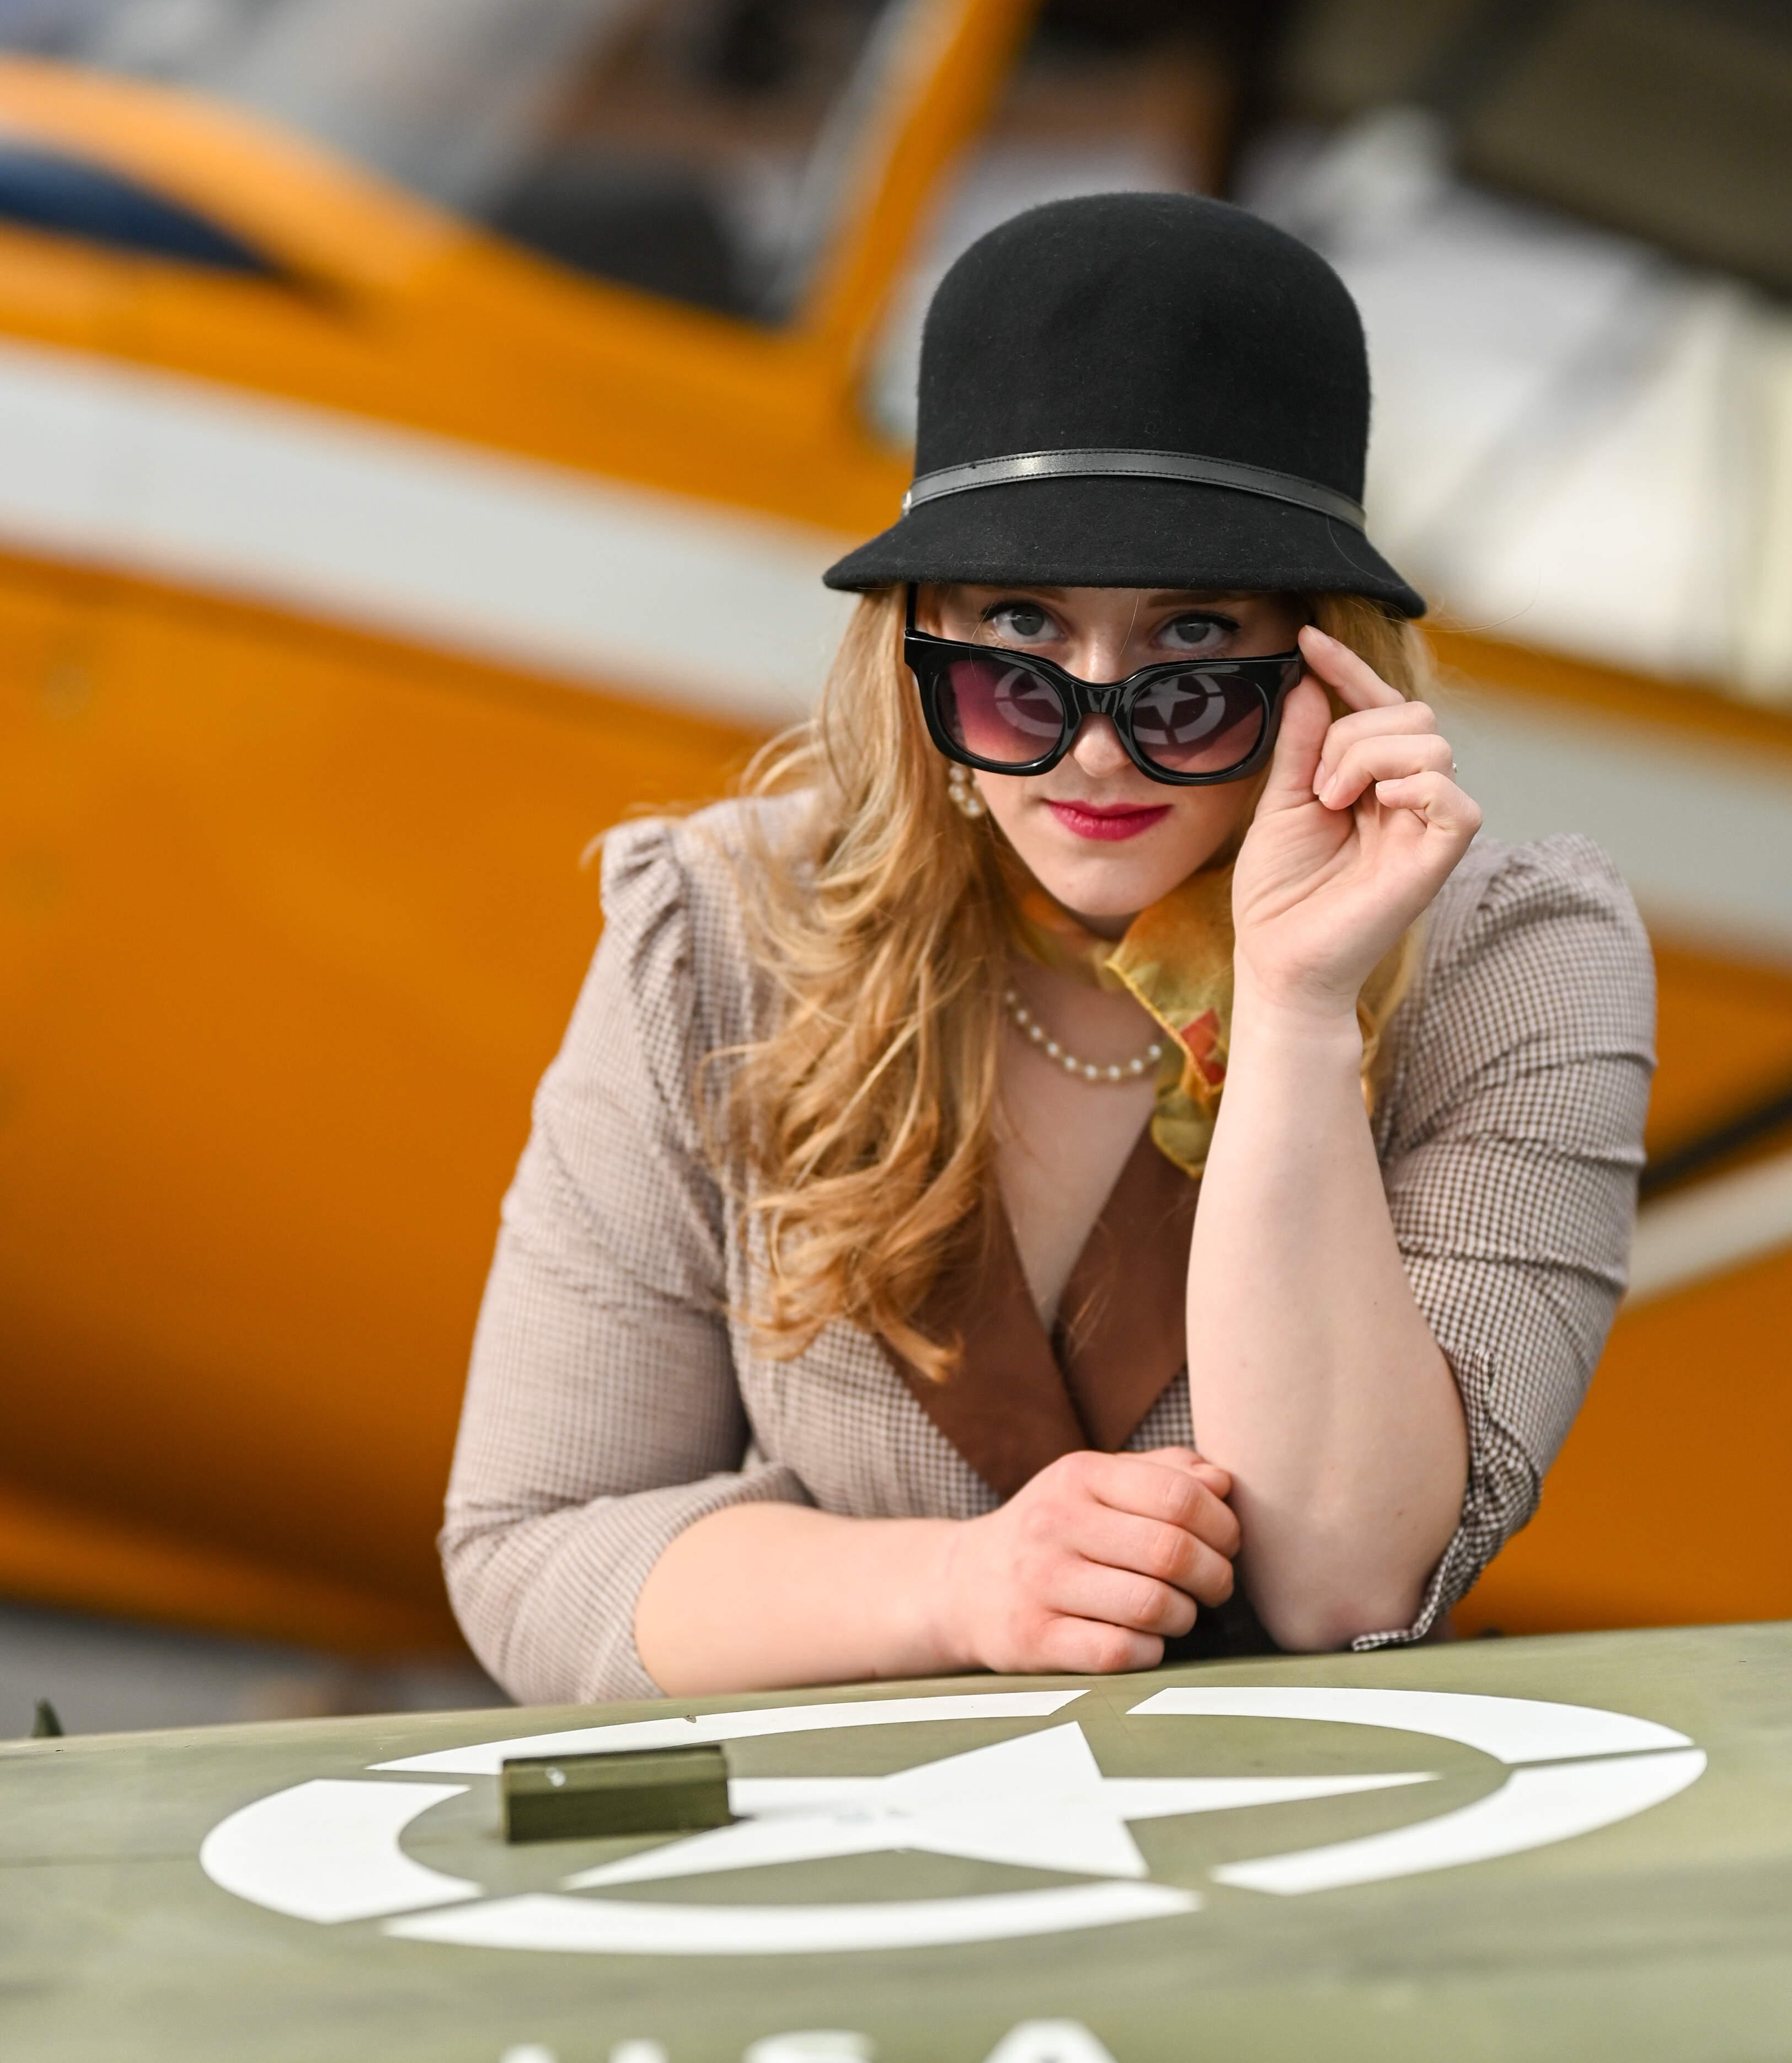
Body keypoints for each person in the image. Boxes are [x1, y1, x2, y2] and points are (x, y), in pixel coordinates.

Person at [442, 193, 1654, 1703]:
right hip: (846, 1831)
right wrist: (964, 1586)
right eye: (1018, 634)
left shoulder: (1513, 965)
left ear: (1327, 665)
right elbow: (534, 1545)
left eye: (1192, 649)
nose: (1093, 747)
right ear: (918, 645)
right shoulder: (719, 934)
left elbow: (1348, 1585)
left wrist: (1292, 1003)